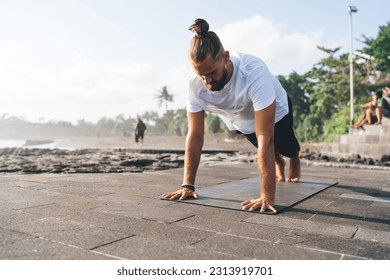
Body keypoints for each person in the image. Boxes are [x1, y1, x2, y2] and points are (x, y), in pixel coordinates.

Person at [162, 19, 301, 213]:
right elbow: (195, 136)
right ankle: (280, 162)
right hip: (240, 118)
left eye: (211, 73)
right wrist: (187, 186)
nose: (207, 80)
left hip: (277, 110)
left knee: (284, 144)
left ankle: (294, 158)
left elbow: (266, 138)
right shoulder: (194, 84)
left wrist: (266, 197)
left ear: (225, 57)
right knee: (262, 146)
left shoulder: (253, 71)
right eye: (201, 75)